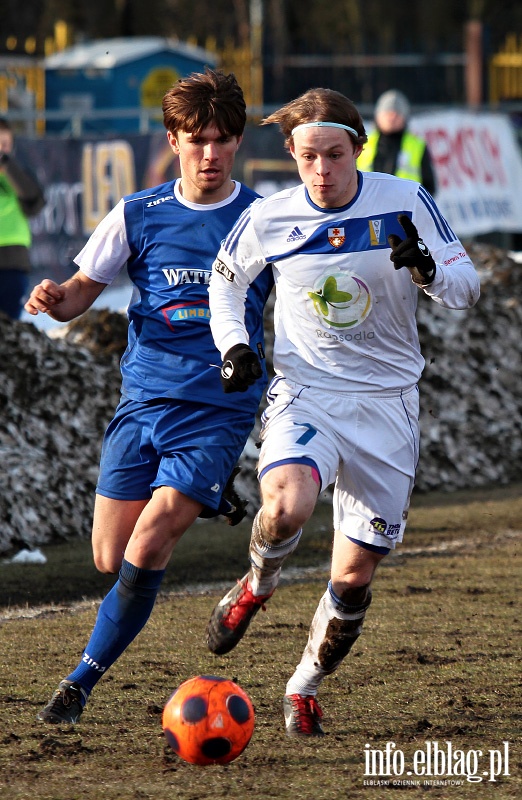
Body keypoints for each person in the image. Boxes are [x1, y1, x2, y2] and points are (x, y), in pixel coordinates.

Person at [205, 87, 480, 737]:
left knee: (352, 578)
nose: (322, 171)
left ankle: (302, 685)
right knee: (287, 505)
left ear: (358, 148)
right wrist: (235, 345)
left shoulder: (406, 202)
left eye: (334, 154)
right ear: (293, 155)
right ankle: (257, 584)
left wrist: (426, 271)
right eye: (307, 158)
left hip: (387, 405)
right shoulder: (271, 216)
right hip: (310, 391)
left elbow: (466, 287)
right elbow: (226, 279)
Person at [24, 68, 273, 725]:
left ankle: (76, 685)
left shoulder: (264, 220)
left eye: (223, 140)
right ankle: (207, 493)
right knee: (111, 554)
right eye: (198, 140)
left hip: (218, 409)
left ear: (240, 142)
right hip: (143, 403)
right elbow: (82, 290)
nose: (211, 154)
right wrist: (55, 300)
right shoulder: (139, 213)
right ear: (174, 138)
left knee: (154, 536)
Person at [0, 118, 46, 319]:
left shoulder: (17, 173)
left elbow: (34, 202)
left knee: (9, 327)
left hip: (13, 259)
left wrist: (8, 168)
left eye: (4, 145)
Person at [356, 89, 437, 194]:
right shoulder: (363, 144)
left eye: (397, 113)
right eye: (387, 113)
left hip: (404, 208)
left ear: (405, 117)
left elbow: (429, 186)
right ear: (378, 116)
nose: (392, 118)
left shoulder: (417, 146)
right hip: (367, 207)